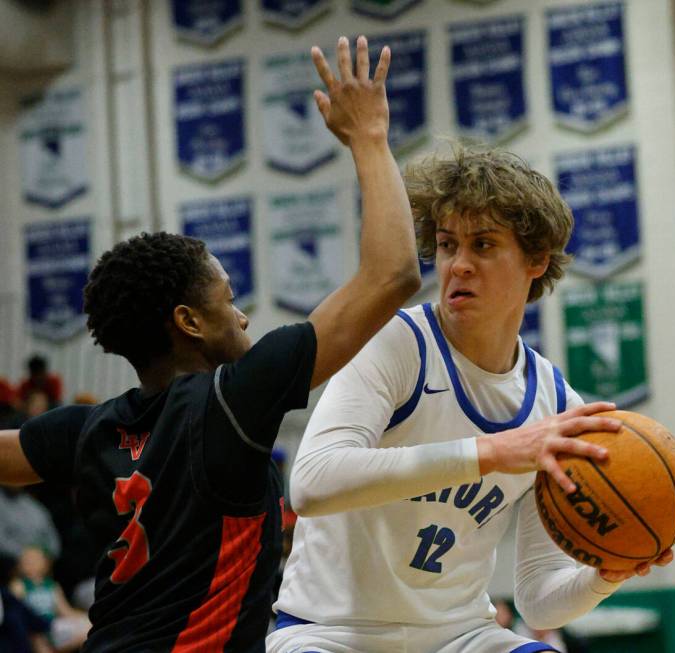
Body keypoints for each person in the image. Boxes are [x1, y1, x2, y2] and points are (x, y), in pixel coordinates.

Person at [0, 35, 420, 652]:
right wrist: (370, 139)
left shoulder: (87, 432)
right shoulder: (234, 401)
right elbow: (394, 274)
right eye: (228, 298)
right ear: (189, 322)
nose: (244, 314)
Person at [268, 145, 675, 653]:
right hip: (330, 632)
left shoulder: (554, 405)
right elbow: (311, 485)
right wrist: (489, 453)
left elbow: (537, 601)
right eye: (448, 245)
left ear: (537, 260)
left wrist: (609, 573)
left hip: (457, 636)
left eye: (483, 245)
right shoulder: (396, 343)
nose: (459, 265)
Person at [10, 546, 90, 652]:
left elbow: (66, 611)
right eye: (27, 559)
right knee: (38, 639)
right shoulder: (18, 586)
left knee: (89, 626)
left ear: (45, 563)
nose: (30, 562)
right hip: (33, 628)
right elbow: (17, 615)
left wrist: (88, 617)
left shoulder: (52, 586)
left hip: (52, 626)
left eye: (35, 559)